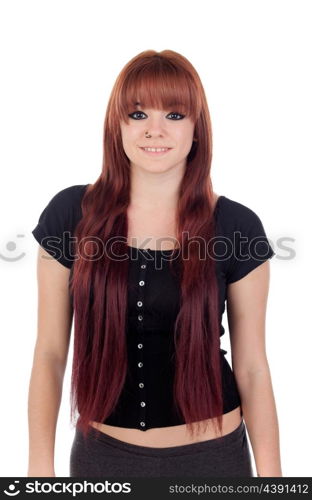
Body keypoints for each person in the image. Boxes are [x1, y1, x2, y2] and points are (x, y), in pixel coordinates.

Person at [28, 49, 282, 478]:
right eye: (139, 114)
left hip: (213, 461)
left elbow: (254, 366)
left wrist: (274, 481)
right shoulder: (70, 213)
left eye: (176, 115)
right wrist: (38, 471)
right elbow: (50, 354)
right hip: (102, 461)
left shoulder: (237, 225)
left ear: (197, 128)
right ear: (118, 124)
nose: (155, 131)